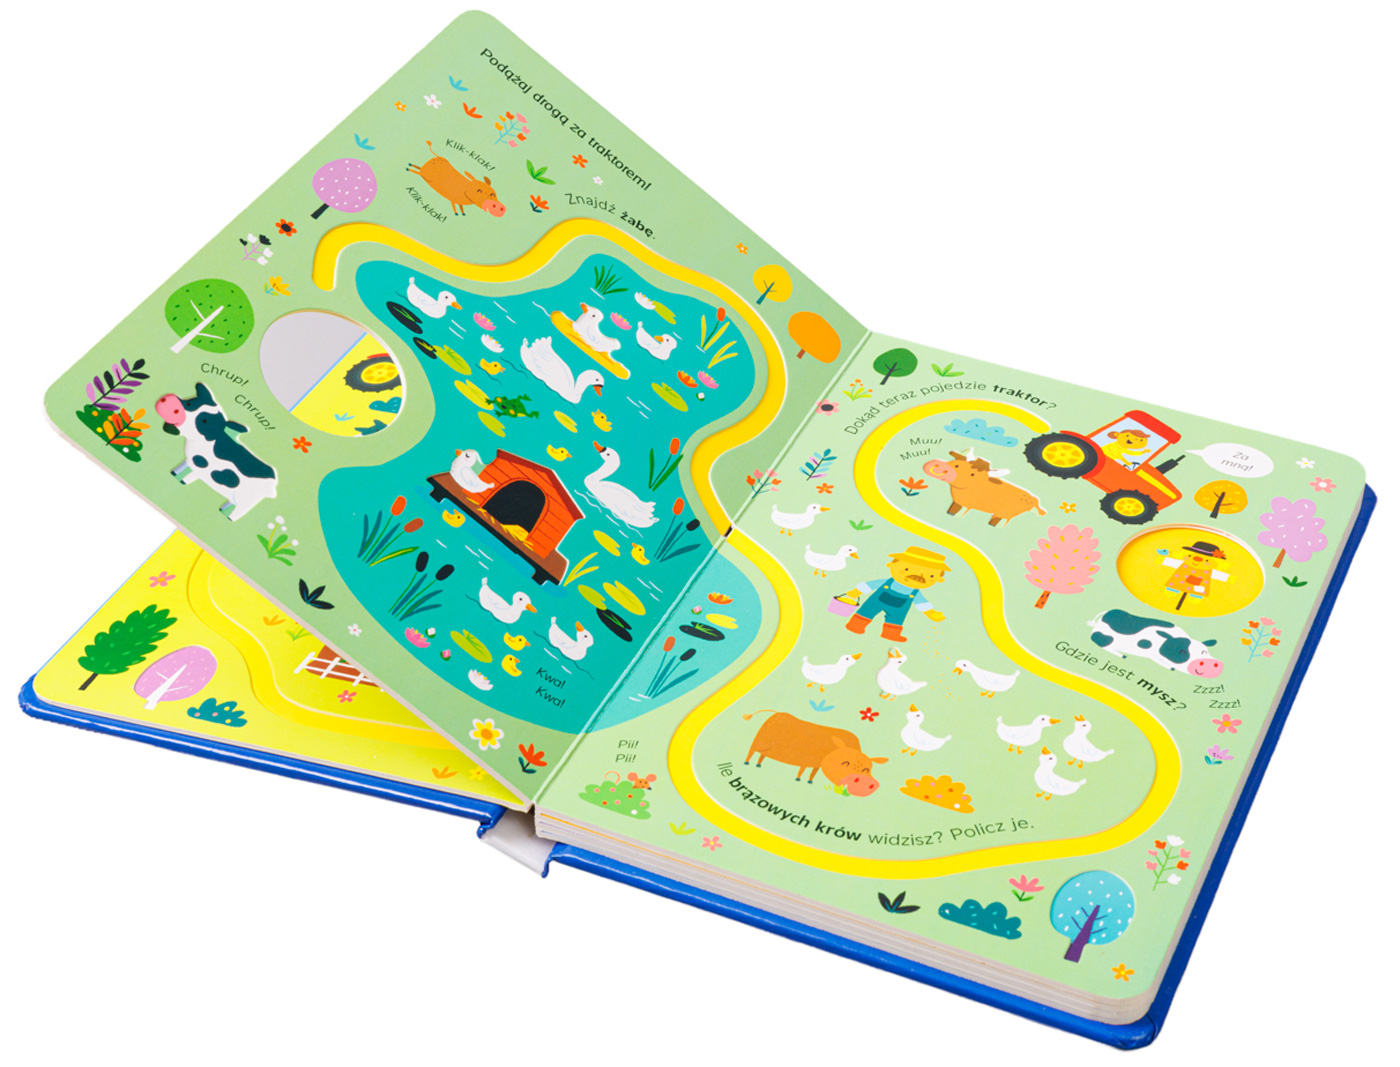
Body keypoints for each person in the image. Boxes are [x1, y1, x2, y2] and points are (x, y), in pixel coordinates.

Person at [843, 546, 949, 643]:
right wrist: (856, 591)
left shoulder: (916, 593)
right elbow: (870, 585)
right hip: (877, 601)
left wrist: (931, 613)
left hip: (898, 608)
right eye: (906, 569)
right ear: (891, 565)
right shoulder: (886, 582)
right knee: (866, 611)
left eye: (931, 576)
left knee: (896, 620)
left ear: (939, 579)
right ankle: (855, 626)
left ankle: (890, 634)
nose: (917, 577)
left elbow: (921, 603)